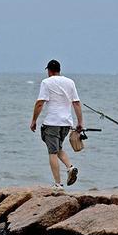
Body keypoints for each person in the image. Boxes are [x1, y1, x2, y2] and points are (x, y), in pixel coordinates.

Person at [30, 59, 83, 190]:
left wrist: (34, 120)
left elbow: (40, 103)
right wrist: (80, 122)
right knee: (58, 148)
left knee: (52, 152)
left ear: (49, 71)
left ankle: (58, 184)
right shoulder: (70, 82)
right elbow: (76, 103)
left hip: (52, 122)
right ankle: (70, 167)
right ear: (59, 70)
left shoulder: (46, 82)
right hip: (66, 123)